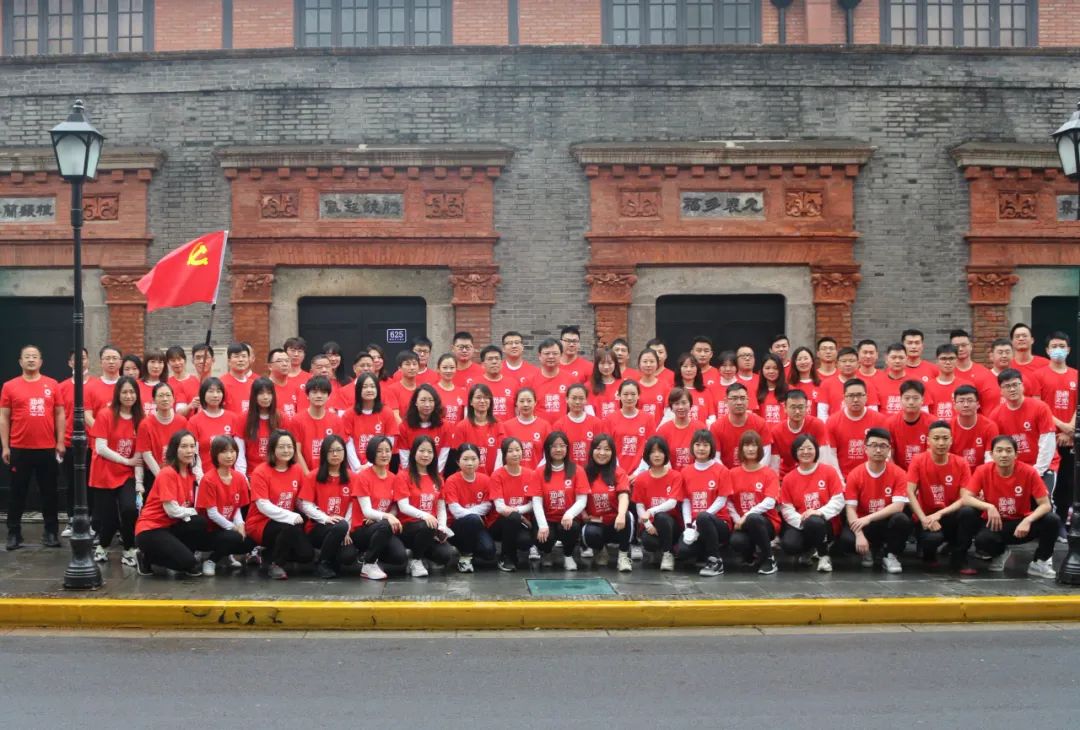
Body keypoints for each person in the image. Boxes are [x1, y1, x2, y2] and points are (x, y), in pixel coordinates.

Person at [135, 430, 243, 576]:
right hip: (152, 529)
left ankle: (183, 554)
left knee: (199, 523)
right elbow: (172, 511)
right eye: (184, 446)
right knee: (189, 563)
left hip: (173, 526)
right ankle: (145, 557)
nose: (189, 451)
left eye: (192, 446)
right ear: (175, 449)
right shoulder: (167, 473)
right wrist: (194, 511)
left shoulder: (192, 474)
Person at [957, 435, 1060, 578]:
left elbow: (1045, 505)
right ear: (992, 454)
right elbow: (966, 498)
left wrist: (1028, 520)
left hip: (1021, 525)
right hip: (995, 523)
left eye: (1008, 450)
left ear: (1016, 454)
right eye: (999, 451)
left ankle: (1040, 561)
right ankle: (1000, 553)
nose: (1004, 455)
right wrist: (989, 507)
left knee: (1052, 520)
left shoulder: (1029, 472)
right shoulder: (983, 470)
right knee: (980, 536)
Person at [0, 344, 64, 549]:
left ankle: (51, 532)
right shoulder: (10, 386)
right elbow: (4, 417)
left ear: (41, 361)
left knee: (49, 492)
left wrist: (60, 441)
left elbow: (60, 413)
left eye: (34, 356)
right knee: (17, 493)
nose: (31, 359)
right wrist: (5, 446)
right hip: (19, 447)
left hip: (47, 448)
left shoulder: (52, 384)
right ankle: (14, 533)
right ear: (20, 361)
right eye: (27, 356)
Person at [838, 428, 912, 574]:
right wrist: (859, 535)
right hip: (864, 524)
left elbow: (898, 506)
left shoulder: (899, 473)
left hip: (885, 522)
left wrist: (868, 518)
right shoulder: (855, 474)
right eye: (873, 445)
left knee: (902, 519)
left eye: (883, 446)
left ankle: (891, 555)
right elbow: (850, 508)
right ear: (865, 448)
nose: (878, 450)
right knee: (847, 540)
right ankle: (868, 551)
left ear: (889, 449)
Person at [246, 429, 315, 580]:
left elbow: (300, 500)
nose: (286, 450)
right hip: (261, 522)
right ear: (272, 449)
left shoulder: (296, 469)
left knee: (306, 555)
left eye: (289, 446)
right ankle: (275, 564)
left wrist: (317, 514)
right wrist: (291, 516)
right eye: (281, 447)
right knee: (290, 526)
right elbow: (263, 505)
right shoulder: (260, 472)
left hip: (287, 521)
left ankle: (267, 552)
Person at [905, 421, 974, 570]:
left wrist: (940, 514)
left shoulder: (961, 463)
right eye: (936, 438)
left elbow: (965, 498)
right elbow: (909, 491)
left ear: (951, 440)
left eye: (945, 438)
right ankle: (928, 554)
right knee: (932, 539)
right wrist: (924, 519)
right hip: (927, 516)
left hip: (950, 514)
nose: (941, 443)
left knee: (968, 512)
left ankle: (960, 557)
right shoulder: (918, 460)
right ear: (928, 441)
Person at [89, 376, 143, 566]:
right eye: (124, 392)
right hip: (104, 473)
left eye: (132, 392)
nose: (129, 396)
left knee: (129, 510)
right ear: (117, 394)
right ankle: (102, 546)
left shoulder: (140, 419)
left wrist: (138, 481)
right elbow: (101, 447)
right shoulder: (106, 415)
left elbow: (140, 452)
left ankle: (129, 549)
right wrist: (126, 460)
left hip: (126, 474)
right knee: (109, 518)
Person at [779, 433, 845, 572]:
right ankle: (808, 550)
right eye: (801, 449)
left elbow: (838, 500)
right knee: (790, 544)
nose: (806, 452)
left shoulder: (829, 471)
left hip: (826, 523)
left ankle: (824, 556)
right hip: (801, 522)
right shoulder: (789, 479)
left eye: (810, 448)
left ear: (816, 450)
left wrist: (818, 512)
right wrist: (803, 519)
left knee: (814, 521)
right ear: (795, 452)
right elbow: (786, 508)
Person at [393, 435, 455, 577]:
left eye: (430, 451)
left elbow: (441, 507)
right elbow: (403, 507)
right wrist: (425, 515)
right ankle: (416, 560)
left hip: (430, 529)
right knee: (427, 525)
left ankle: (420, 554)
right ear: (414, 452)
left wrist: (442, 527)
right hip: (407, 527)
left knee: (445, 555)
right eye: (422, 451)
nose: (426, 455)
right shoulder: (403, 476)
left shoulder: (438, 478)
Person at [989, 369, 1056, 497]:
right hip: (1012, 467)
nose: (1012, 389)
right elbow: (994, 448)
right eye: (1007, 386)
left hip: (1043, 466)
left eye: (1015, 384)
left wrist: (1037, 470)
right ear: (1001, 391)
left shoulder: (1040, 407)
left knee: (1043, 500)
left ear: (1022, 386)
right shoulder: (995, 415)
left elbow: (1047, 442)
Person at [296, 434, 355, 579]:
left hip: (342, 528)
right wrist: (325, 518)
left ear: (344, 452)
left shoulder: (352, 477)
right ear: (324, 453)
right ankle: (323, 563)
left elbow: (353, 506)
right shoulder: (313, 476)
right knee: (339, 526)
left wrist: (346, 529)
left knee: (348, 556)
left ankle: (329, 558)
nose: (335, 454)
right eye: (330, 451)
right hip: (318, 527)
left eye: (338, 450)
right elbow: (306, 505)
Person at [193, 434, 254, 575]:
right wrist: (234, 528)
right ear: (215, 454)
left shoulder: (239, 477)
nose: (229, 456)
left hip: (228, 527)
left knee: (250, 540)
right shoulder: (209, 479)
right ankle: (211, 560)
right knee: (233, 537)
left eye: (232, 451)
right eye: (224, 452)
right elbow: (212, 513)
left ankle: (225, 555)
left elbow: (237, 507)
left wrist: (241, 525)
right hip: (209, 530)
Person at [678, 429, 732, 577]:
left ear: (711, 447)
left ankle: (716, 561)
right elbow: (686, 501)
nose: (701, 448)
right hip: (695, 525)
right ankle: (703, 551)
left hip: (719, 523)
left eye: (705, 445)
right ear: (692, 447)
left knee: (703, 517)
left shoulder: (721, 470)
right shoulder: (685, 472)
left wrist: (701, 519)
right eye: (697, 444)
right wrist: (688, 525)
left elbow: (722, 500)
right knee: (683, 551)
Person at [726, 430, 781, 575]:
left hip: (766, 522)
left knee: (754, 519)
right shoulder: (732, 473)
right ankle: (751, 556)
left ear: (760, 448)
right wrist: (737, 520)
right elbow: (729, 501)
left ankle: (769, 559)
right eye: (747, 445)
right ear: (741, 449)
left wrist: (747, 516)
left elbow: (770, 501)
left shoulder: (769, 473)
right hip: (742, 522)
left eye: (754, 445)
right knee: (737, 541)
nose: (750, 449)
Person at [352, 436, 406, 579]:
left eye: (387, 451)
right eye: (379, 451)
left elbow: (395, 507)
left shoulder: (393, 478)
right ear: (371, 453)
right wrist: (386, 517)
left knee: (400, 557)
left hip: (381, 526)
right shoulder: (363, 477)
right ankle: (368, 564)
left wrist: (387, 516)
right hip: (362, 528)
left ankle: (370, 554)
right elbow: (367, 511)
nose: (384, 454)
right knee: (385, 525)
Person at [1038, 331, 1076, 535]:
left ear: (1068, 349)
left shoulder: (1076, 375)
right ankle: (1047, 522)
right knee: (1047, 481)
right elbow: (1039, 407)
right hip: (1047, 438)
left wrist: (1070, 430)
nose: (1058, 350)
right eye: (1054, 346)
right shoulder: (1039, 375)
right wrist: (1060, 426)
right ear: (1047, 350)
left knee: (1067, 482)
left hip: (1070, 439)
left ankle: (1062, 521)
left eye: (1062, 346)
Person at [533, 433, 589, 570]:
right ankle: (546, 553)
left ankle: (568, 555)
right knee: (544, 535)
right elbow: (536, 501)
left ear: (567, 448)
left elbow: (582, 500)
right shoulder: (539, 472)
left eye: (562, 446)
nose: (558, 449)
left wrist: (569, 514)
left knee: (572, 527)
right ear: (547, 449)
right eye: (554, 446)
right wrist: (542, 525)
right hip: (548, 519)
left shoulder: (577, 470)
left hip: (567, 519)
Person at [581, 434, 634, 572]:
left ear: (613, 452)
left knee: (627, 516)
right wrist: (583, 513)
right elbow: (577, 497)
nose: (602, 453)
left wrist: (621, 514)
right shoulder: (583, 473)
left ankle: (623, 556)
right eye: (598, 448)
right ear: (592, 450)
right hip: (595, 521)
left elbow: (624, 495)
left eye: (607, 449)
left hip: (615, 523)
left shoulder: (618, 472)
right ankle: (601, 551)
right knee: (590, 533)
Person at [443, 443, 496, 572]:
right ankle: (465, 557)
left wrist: (473, 516)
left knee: (489, 552)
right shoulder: (451, 480)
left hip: (476, 524)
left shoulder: (485, 479)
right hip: (456, 526)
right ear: (458, 461)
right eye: (465, 459)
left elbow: (487, 506)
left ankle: (468, 550)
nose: (470, 463)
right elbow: (455, 510)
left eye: (473, 459)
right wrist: (474, 516)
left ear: (479, 460)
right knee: (472, 519)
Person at [632, 436, 683, 571]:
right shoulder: (641, 478)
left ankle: (667, 554)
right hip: (651, 523)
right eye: (653, 452)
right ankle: (657, 551)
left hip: (671, 524)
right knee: (648, 541)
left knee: (661, 516)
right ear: (647, 455)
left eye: (660, 451)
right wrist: (648, 524)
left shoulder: (675, 476)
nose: (657, 455)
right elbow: (639, 505)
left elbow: (672, 503)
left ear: (666, 454)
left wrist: (651, 511)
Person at [489, 436, 538, 571]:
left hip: (520, 522)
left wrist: (517, 513)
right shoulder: (497, 475)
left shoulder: (531, 474)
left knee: (525, 541)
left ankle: (515, 553)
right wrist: (520, 516)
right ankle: (506, 557)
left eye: (518, 450)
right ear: (504, 454)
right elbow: (500, 508)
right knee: (513, 517)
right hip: (498, 523)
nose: (515, 454)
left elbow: (533, 503)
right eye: (510, 451)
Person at [825, 378, 888, 477]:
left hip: (872, 476)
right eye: (851, 396)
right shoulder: (832, 422)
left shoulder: (879, 420)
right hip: (844, 477)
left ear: (866, 397)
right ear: (844, 398)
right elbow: (831, 455)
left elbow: (886, 452)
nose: (855, 400)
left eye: (859, 395)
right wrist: (840, 480)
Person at [187, 377, 246, 479]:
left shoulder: (233, 418)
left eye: (218, 391)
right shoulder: (194, 421)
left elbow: (240, 451)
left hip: (230, 477)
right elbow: (193, 454)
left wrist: (240, 476)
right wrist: (200, 478)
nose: (215, 395)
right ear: (203, 394)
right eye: (211, 391)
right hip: (205, 476)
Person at [136, 382, 188, 498]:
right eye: (160, 396)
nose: (165, 399)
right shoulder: (145, 424)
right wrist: (162, 477)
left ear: (173, 399)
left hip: (177, 473)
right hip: (153, 474)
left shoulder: (182, 421)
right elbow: (146, 454)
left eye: (168, 395)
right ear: (154, 400)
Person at [769, 388, 832, 479]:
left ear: (807, 407)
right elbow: (774, 465)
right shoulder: (776, 431)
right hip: (786, 477)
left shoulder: (817, 425)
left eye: (801, 407)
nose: (797, 411)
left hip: (812, 474)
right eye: (793, 407)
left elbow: (824, 458)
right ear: (785, 408)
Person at [343, 372, 398, 472]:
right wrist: (357, 467)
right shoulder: (349, 414)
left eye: (372, 386)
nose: (369, 390)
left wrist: (370, 464)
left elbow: (389, 442)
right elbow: (348, 443)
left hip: (380, 468)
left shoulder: (387, 413)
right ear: (358, 390)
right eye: (365, 387)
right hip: (356, 470)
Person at [710, 382, 773, 469]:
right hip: (727, 474)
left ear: (748, 400)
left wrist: (755, 472)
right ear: (726, 401)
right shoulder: (716, 427)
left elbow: (766, 454)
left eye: (742, 398)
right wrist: (728, 475)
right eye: (734, 398)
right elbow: (715, 457)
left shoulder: (760, 423)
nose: (739, 402)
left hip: (754, 472)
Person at [290, 375, 344, 473]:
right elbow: (296, 452)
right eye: (314, 392)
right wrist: (308, 476)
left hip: (329, 474)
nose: (319, 396)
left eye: (323, 392)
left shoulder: (336, 420)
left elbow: (338, 451)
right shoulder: (297, 420)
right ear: (307, 395)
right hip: (305, 474)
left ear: (328, 396)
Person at [601, 379, 656, 473]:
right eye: (625, 394)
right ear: (619, 396)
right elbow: (607, 448)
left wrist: (639, 472)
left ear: (638, 395)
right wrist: (618, 472)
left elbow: (651, 448)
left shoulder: (648, 418)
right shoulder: (610, 419)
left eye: (633, 394)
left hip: (641, 472)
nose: (629, 398)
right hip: (615, 472)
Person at [397, 384, 452, 472]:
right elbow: (404, 458)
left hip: (434, 474)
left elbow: (442, 458)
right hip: (410, 473)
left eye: (431, 400)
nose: (427, 404)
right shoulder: (404, 426)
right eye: (423, 400)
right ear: (415, 402)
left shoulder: (445, 426)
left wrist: (431, 475)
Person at [498, 387, 550, 470]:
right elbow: (501, 455)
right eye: (521, 401)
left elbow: (548, 455)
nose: (525, 404)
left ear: (535, 402)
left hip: (537, 474)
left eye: (529, 401)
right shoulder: (506, 426)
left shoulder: (545, 426)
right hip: (513, 474)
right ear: (516, 403)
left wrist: (538, 472)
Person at [818, 347, 879, 419]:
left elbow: (873, 412)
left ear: (858, 363)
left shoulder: (867, 384)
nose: (848, 364)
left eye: (851, 361)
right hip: (835, 424)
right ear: (837, 363)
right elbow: (822, 413)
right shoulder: (826, 384)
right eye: (843, 361)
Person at [553, 382, 604, 468]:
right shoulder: (559, 425)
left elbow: (601, 449)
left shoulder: (596, 423)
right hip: (568, 470)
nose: (577, 402)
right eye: (574, 398)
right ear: (567, 399)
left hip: (591, 470)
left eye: (581, 398)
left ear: (586, 400)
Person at [454, 383, 501, 474]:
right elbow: (458, 457)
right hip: (469, 477)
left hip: (493, 476)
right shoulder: (462, 427)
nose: (482, 401)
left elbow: (501, 455)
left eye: (486, 397)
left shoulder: (498, 424)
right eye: (478, 397)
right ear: (471, 402)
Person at [656, 387, 707, 471]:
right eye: (676, 403)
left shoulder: (701, 428)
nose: (680, 407)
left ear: (690, 404)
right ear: (671, 407)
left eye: (684, 403)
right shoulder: (663, 430)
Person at [887, 380, 934, 470]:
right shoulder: (890, 423)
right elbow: (889, 455)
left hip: (925, 471)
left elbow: (932, 455)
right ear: (900, 399)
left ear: (922, 400)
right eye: (907, 398)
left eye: (915, 398)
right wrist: (900, 475)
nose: (911, 402)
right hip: (899, 473)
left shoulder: (932, 423)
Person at [243, 377, 287, 473]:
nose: (266, 397)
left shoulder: (281, 418)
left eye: (269, 393)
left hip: (275, 471)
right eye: (261, 393)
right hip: (251, 473)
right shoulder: (244, 419)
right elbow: (240, 453)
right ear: (254, 396)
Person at [949, 384, 998, 469]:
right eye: (961, 401)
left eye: (970, 400)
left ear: (978, 404)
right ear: (954, 405)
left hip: (982, 473)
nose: (966, 405)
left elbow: (990, 460)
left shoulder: (990, 426)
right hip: (957, 472)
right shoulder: (948, 427)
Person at [530, 338, 576, 424]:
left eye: (555, 353)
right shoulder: (529, 381)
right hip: (537, 428)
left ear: (561, 355)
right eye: (547, 353)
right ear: (539, 356)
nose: (551, 356)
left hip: (563, 428)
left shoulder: (571, 380)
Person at [950, 329, 998, 406]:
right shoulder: (944, 373)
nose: (960, 349)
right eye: (956, 346)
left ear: (971, 346)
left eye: (964, 345)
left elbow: (989, 404)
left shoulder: (984, 373)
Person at [674, 352, 716, 425]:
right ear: (679, 369)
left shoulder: (705, 391)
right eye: (685, 366)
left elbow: (712, 418)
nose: (689, 370)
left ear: (697, 369)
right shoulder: (673, 391)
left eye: (692, 366)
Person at [478, 345, 516, 422]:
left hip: (507, 428)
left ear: (501, 362)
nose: (494, 362)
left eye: (497, 358)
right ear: (483, 364)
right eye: (490, 359)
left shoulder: (513, 383)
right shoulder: (475, 384)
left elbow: (518, 410)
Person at [924, 344, 961, 420]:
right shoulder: (927, 386)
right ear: (937, 361)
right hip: (934, 427)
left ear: (957, 361)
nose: (948, 362)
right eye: (943, 359)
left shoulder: (965, 385)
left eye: (951, 358)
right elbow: (924, 415)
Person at [267, 348, 307, 418]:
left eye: (287, 361)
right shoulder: (264, 388)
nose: (285, 364)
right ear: (270, 366)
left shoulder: (296, 387)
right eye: (280, 361)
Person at [84, 345, 122, 418]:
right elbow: (87, 414)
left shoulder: (128, 385)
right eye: (107, 358)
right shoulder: (90, 387)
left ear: (120, 362)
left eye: (114, 358)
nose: (111, 362)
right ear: (100, 362)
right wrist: (99, 425)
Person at [1009, 323, 1049, 387]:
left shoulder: (1045, 364)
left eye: (1024, 336)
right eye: (1017, 336)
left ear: (1032, 340)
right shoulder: (1008, 365)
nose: (1021, 339)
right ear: (1012, 342)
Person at [587, 347, 622, 420]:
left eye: (610, 363)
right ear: (597, 365)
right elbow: (588, 411)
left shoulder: (622, 385)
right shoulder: (589, 386)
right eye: (602, 363)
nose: (606, 367)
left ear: (615, 364)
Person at [433, 353, 467, 426]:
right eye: (445, 367)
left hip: (457, 432)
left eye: (452, 367)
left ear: (456, 369)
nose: (448, 371)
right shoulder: (432, 391)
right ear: (438, 369)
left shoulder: (463, 392)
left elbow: (465, 419)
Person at [876, 343, 910, 416]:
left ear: (907, 359)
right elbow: (873, 411)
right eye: (893, 357)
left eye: (901, 358)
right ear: (886, 359)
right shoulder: (876, 382)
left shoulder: (915, 382)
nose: (897, 361)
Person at [787, 346, 822, 417]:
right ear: (795, 363)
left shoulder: (821, 384)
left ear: (812, 361)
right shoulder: (789, 386)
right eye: (799, 359)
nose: (803, 362)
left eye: (806, 358)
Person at [165, 345, 199, 417]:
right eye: (173, 360)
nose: (177, 363)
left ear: (185, 360)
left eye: (179, 359)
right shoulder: (166, 384)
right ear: (168, 363)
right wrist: (190, 406)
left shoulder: (196, 381)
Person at [755, 353, 788, 426]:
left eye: (775, 368)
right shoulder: (756, 391)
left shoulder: (790, 390)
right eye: (767, 368)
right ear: (762, 370)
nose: (771, 371)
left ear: (781, 370)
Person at [220, 342, 253, 415]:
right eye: (236, 356)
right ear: (229, 361)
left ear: (248, 360)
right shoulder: (221, 384)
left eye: (244, 356)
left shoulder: (253, 384)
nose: (241, 360)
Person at [635, 348, 667, 420]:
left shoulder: (665, 386)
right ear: (639, 364)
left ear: (657, 364)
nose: (648, 365)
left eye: (652, 361)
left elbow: (668, 412)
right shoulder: (634, 386)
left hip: (659, 426)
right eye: (645, 361)